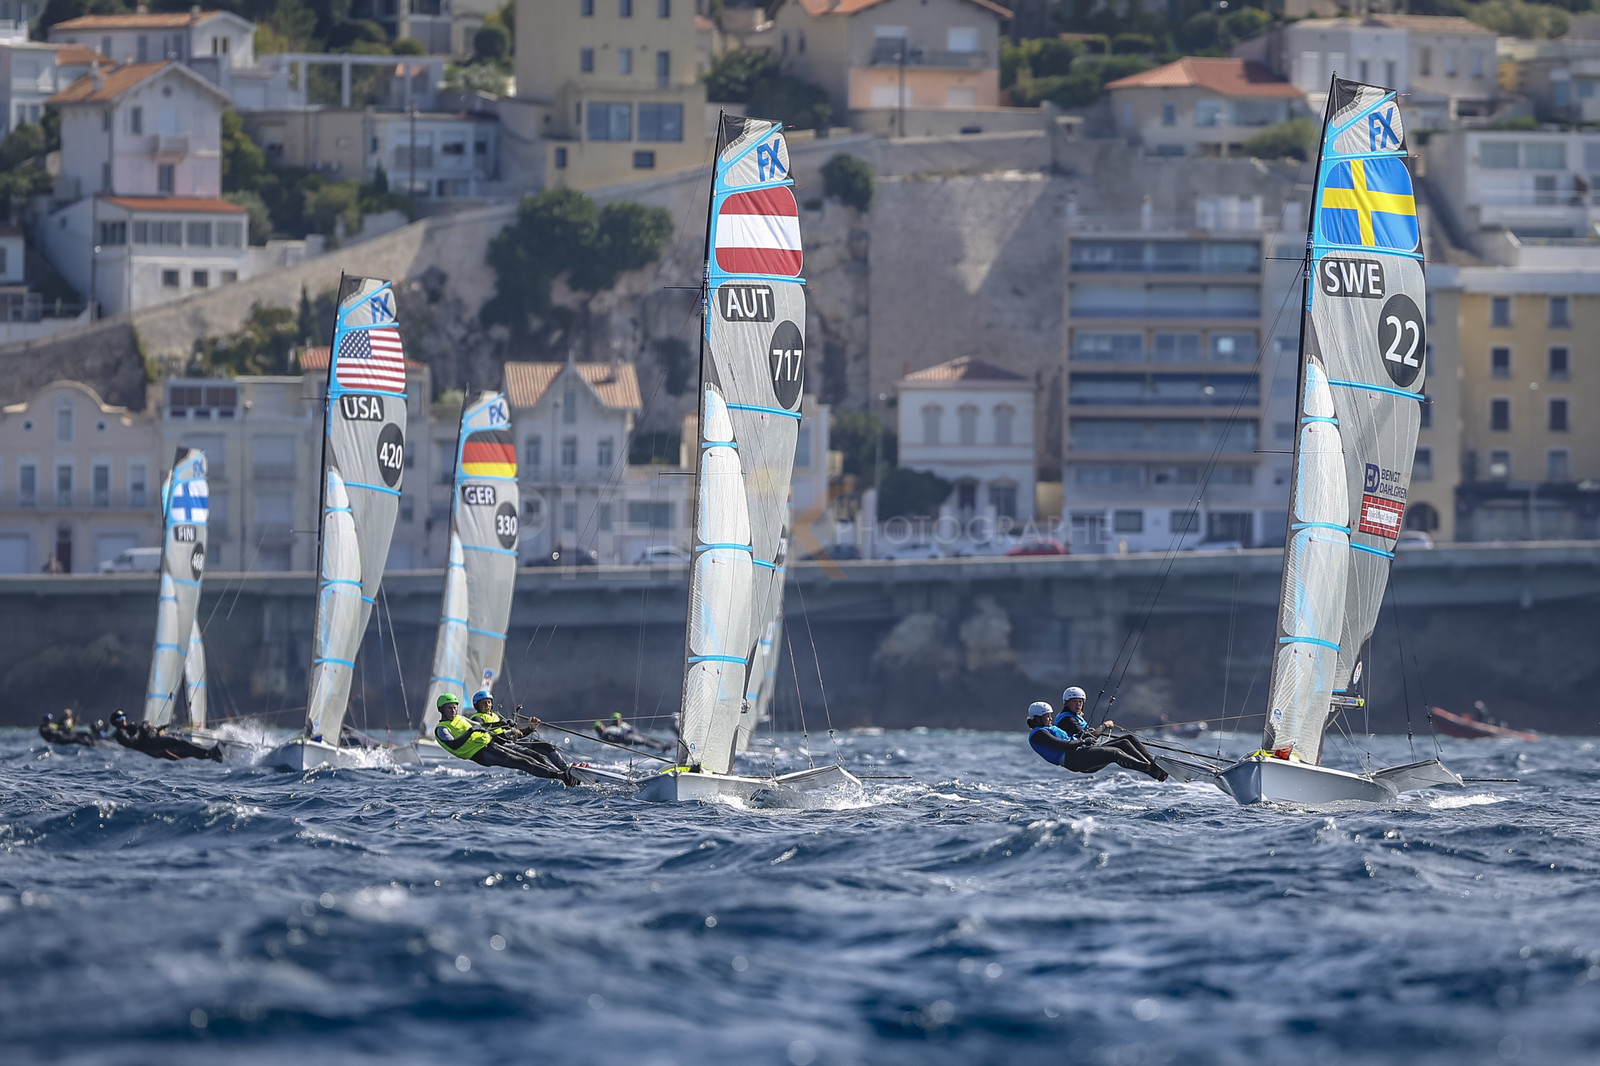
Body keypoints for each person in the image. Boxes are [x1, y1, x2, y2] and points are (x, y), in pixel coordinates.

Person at [1026, 688, 1168, 782]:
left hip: (1079, 754)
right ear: (1037, 718)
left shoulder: (1047, 728)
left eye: (1080, 702)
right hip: (1073, 759)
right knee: (1115, 753)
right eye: (1046, 716)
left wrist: (1083, 739)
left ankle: (1155, 767)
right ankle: (1150, 768)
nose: (1050, 719)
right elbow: (1063, 745)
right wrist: (1091, 735)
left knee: (1125, 742)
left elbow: (1075, 739)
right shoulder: (1039, 734)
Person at [434, 693, 576, 785]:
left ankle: (564, 773)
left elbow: (482, 727)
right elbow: (453, 745)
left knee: (532, 758)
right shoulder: (442, 728)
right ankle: (561, 776)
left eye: (454, 708)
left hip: (489, 744)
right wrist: (470, 732)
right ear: (441, 710)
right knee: (521, 762)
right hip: (479, 753)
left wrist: (504, 724)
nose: (453, 711)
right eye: (449, 708)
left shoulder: (460, 718)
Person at [108, 709, 223, 761]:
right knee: (181, 744)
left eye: (124, 717)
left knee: (188, 750)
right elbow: (131, 742)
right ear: (116, 722)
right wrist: (142, 730)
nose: (124, 720)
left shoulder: (129, 727)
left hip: (155, 748)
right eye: (121, 718)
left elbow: (143, 732)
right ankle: (211, 752)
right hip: (152, 747)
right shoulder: (120, 734)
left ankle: (211, 755)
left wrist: (157, 729)